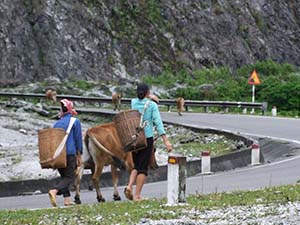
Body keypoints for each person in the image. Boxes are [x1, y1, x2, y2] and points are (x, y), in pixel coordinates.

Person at [124, 83, 173, 201]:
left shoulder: (133, 102)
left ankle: (129, 185)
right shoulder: (152, 106)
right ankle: (137, 195)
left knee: (136, 165)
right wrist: (166, 140)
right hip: (147, 139)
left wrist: (148, 96)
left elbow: (139, 100)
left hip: (135, 138)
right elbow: (158, 123)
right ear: (147, 92)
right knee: (143, 168)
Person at [48, 99, 83, 207]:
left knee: (64, 176)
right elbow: (78, 139)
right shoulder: (75, 121)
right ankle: (54, 190)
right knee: (70, 177)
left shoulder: (56, 123)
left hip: (58, 154)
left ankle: (67, 200)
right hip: (70, 153)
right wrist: (79, 154)